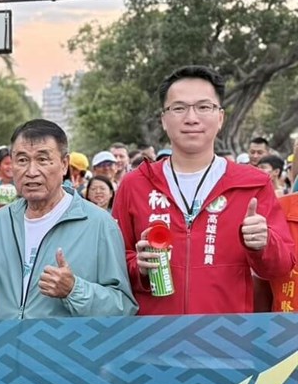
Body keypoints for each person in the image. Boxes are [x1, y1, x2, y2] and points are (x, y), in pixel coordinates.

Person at [113, 65, 295, 315]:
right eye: (179, 108)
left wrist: (264, 245)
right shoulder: (135, 184)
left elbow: (281, 266)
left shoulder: (252, 184)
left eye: (203, 107)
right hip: (152, 339)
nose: (191, 118)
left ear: (220, 117)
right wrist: (138, 267)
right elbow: (112, 265)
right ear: (164, 120)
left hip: (227, 339)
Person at [0, 119, 136, 320]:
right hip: (3, 349)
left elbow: (123, 307)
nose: (31, 172)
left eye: (43, 160)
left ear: (64, 165)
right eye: (22, 160)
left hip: (64, 350)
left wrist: (74, 290)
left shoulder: (98, 224)